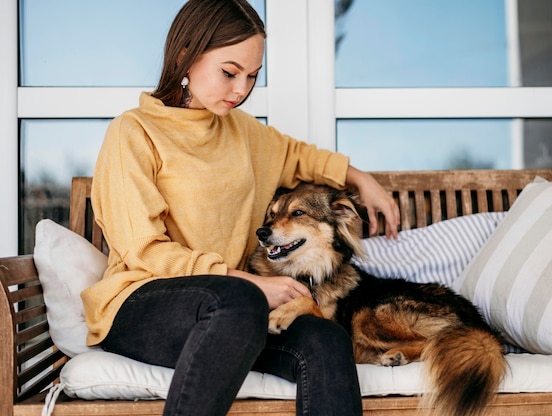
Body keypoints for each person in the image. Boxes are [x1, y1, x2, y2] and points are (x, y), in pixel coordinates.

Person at [81, 1, 400, 415]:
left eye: (252, 76)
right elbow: (145, 250)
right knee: (239, 301)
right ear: (185, 56)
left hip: (236, 315)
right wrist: (246, 282)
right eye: (229, 73)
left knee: (327, 337)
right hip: (142, 307)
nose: (241, 90)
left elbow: (296, 156)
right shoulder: (134, 132)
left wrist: (361, 178)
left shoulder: (242, 131)